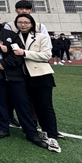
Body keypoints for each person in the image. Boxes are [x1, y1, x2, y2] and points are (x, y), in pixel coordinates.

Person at [0, 7, 47, 148]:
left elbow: (18, 53)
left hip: (13, 74)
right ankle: (3, 129)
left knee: (22, 103)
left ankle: (31, 132)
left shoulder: (10, 34)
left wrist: (6, 63)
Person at [11, 14, 61, 153]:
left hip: (41, 75)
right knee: (29, 106)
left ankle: (51, 134)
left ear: (32, 24)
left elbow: (46, 55)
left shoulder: (41, 37)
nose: (23, 25)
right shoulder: (13, 37)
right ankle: (35, 130)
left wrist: (24, 53)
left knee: (45, 106)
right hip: (22, 76)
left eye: (26, 22)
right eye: (20, 22)